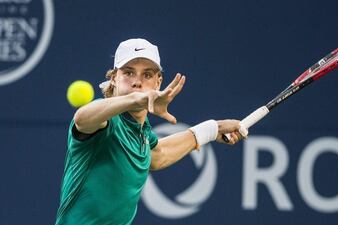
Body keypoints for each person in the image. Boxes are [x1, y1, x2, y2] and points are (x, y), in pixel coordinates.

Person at [55, 38, 247, 225]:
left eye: (147, 75)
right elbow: (82, 119)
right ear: (114, 79)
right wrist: (137, 100)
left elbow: (158, 155)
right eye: (129, 73)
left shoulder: (142, 132)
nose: (137, 82)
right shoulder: (105, 120)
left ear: (158, 82)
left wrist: (213, 128)